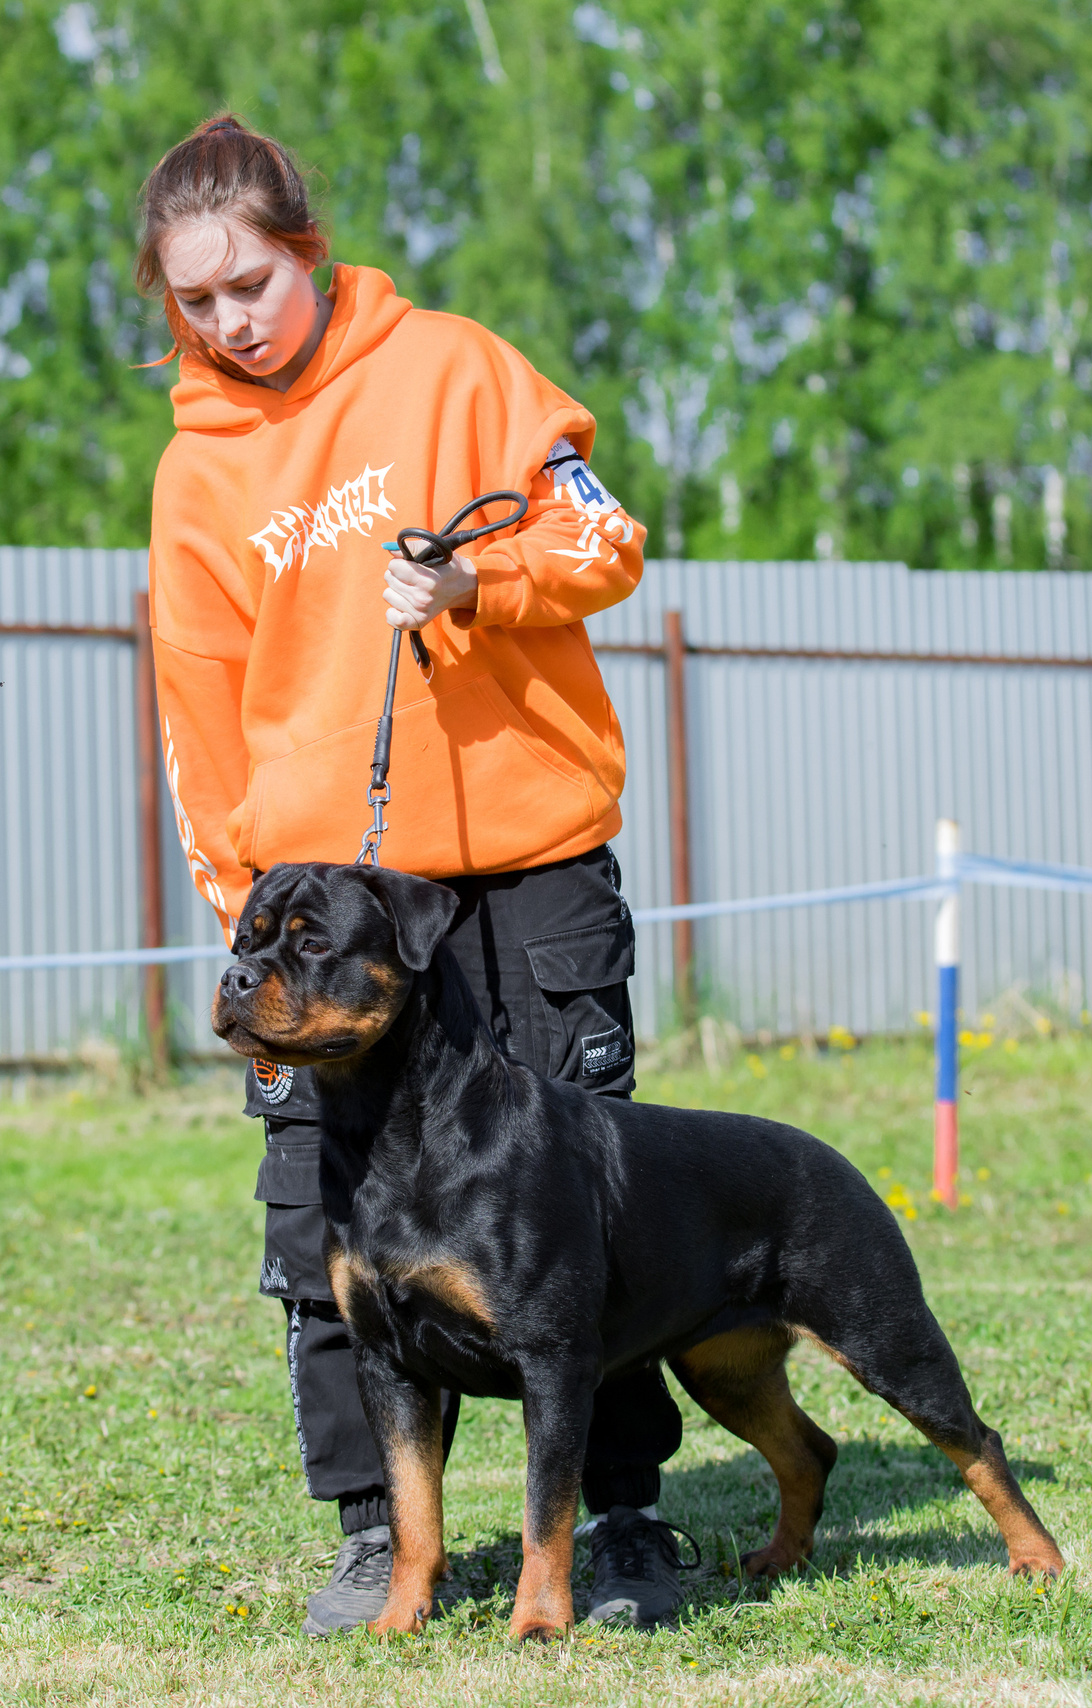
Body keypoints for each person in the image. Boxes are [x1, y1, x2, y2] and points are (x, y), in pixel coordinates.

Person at [135, 115, 688, 1634]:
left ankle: (626, 1523)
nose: (231, 319)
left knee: (590, 1210)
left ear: (306, 252)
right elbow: (200, 718)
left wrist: (477, 583)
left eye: (250, 281)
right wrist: (249, 929)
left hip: (527, 879)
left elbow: (607, 540)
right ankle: (382, 1532)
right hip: (335, 916)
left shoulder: (453, 367)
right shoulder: (196, 477)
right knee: (321, 1232)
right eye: (196, 302)